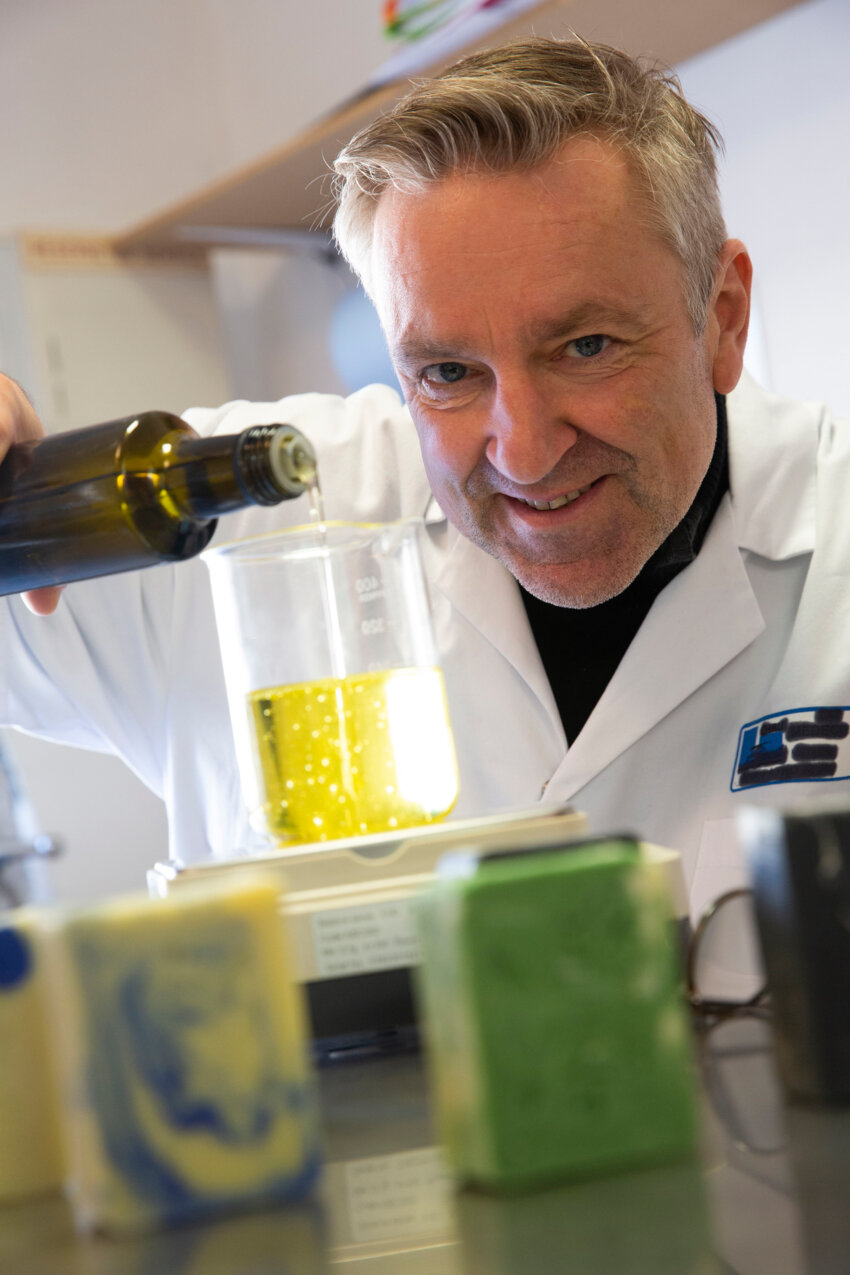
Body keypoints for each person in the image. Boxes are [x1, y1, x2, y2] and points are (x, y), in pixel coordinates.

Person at [1, 38, 849, 921]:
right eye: (447, 372)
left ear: (724, 318)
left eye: (586, 346)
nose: (524, 451)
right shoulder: (230, 521)